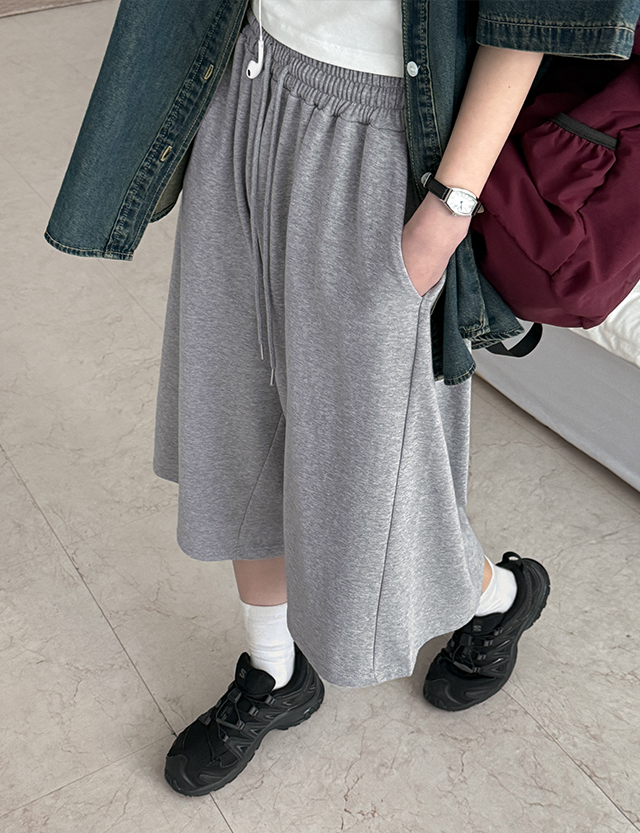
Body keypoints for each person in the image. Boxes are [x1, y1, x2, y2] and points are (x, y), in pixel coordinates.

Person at [45, 0, 640, 798]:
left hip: (386, 130)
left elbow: (539, 14)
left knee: (368, 480)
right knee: (234, 407)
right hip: (247, 77)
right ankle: (273, 667)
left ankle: (499, 596)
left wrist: (448, 209)